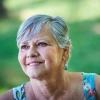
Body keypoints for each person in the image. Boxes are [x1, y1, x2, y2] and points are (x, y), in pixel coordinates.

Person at [0, 14, 100, 100]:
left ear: (65, 51)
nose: (31, 53)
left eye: (41, 44)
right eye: (24, 46)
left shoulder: (95, 87)